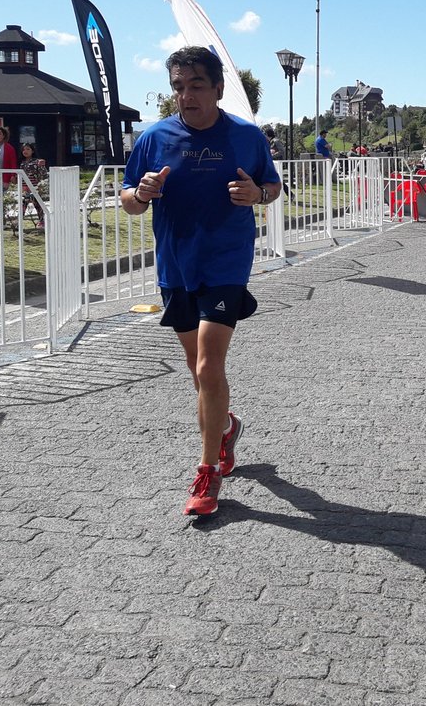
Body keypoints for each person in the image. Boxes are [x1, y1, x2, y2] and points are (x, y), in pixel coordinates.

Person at [120, 46, 281, 516]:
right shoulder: (154, 139)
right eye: (178, 87)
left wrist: (257, 193)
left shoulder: (247, 137)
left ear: (217, 89)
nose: (185, 96)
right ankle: (226, 427)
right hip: (176, 266)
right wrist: (140, 193)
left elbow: (271, 187)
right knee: (198, 372)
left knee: (209, 368)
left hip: (226, 263)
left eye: (195, 86)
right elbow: (128, 199)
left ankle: (207, 472)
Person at [19, 142, 48, 228]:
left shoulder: (36, 162)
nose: (25, 151)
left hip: (34, 187)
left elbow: (43, 174)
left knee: (37, 204)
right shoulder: (22, 163)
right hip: (24, 187)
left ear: (32, 151)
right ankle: (19, 221)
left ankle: (42, 221)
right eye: (23, 149)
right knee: (23, 204)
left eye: (28, 149)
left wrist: (40, 186)